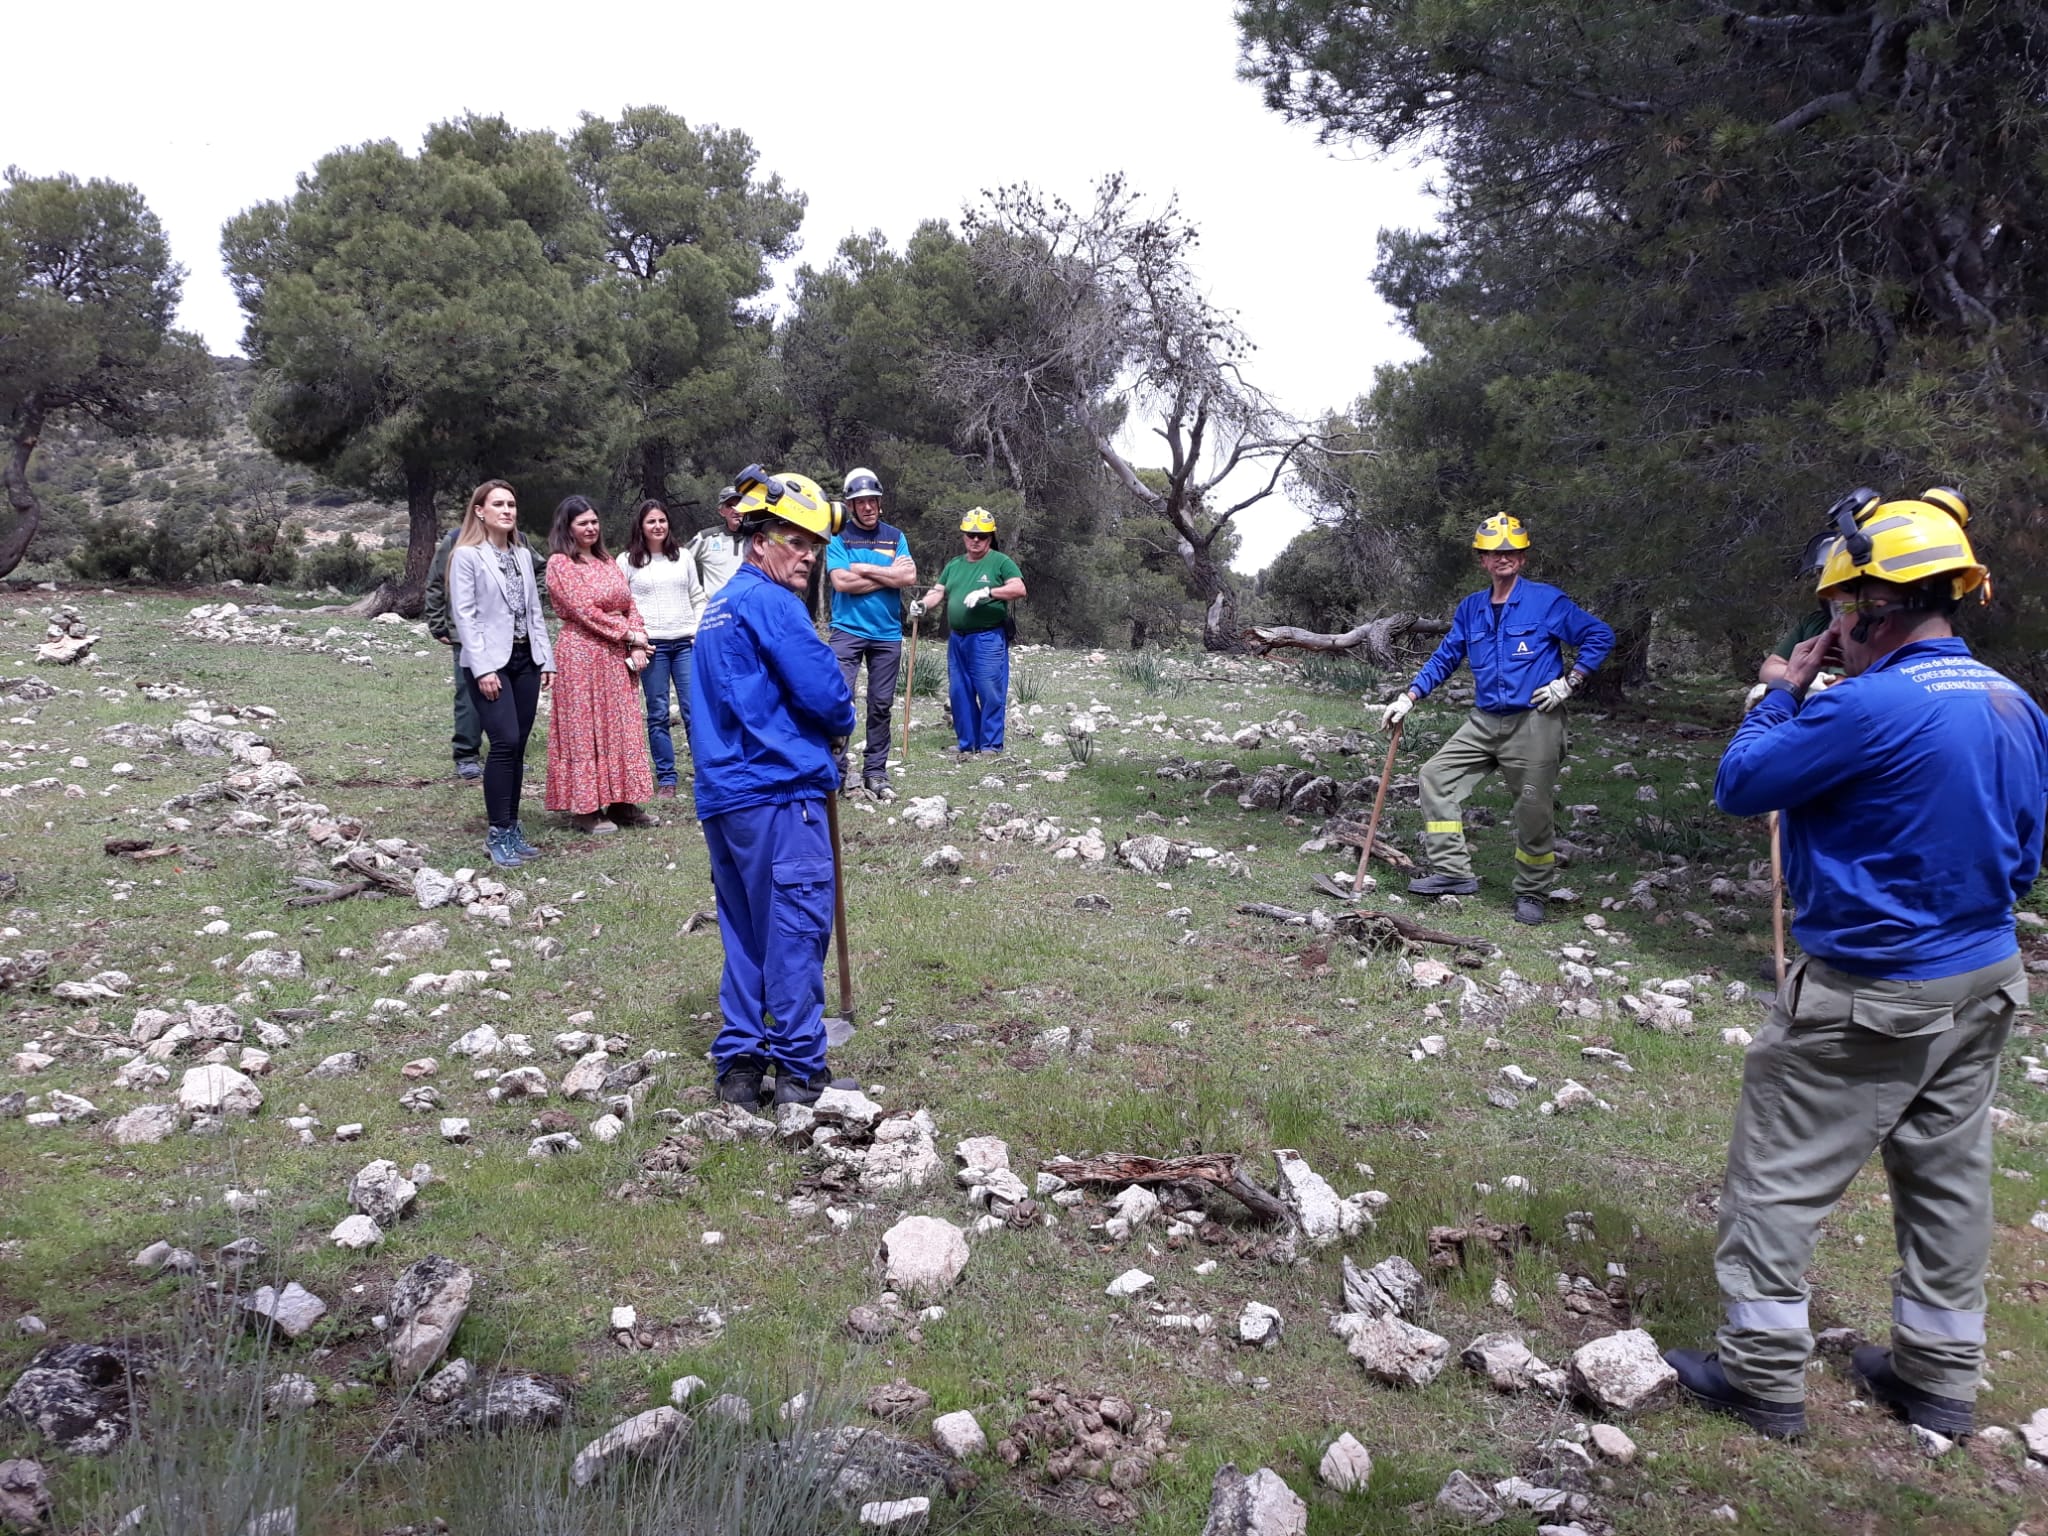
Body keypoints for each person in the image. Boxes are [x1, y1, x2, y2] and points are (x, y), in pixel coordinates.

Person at [1666, 488, 2047, 1443]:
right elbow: (2029, 852)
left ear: (1872, 608)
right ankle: (1938, 1377)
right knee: (1949, 1181)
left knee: (1776, 1179)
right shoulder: (2014, 702)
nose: (1833, 626)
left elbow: (1740, 785)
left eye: (1839, 610)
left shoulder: (1866, 706)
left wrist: (1783, 692)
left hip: (1873, 990)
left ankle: (1759, 1377)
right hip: (1985, 976)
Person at [691, 467, 857, 1108]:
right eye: (797, 540)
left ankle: (739, 1066)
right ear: (759, 539)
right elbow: (828, 696)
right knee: (794, 928)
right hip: (781, 793)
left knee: (746, 931)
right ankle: (798, 1072)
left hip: (725, 796)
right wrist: (840, 712)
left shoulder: (717, 607)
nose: (809, 555)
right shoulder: (773, 604)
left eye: (815, 544)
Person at [1380, 515, 1613, 925]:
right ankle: (1453, 872)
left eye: (1510, 551)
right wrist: (1409, 695)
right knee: (1435, 776)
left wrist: (1571, 682)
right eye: (1494, 553)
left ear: (1521, 558)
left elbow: (1599, 635)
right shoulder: (1471, 609)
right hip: (1485, 720)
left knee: (1532, 806)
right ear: (1483, 561)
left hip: (1535, 720)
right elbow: (1447, 655)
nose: (1502, 558)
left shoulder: (1547, 601)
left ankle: (1532, 892)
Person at [447, 479, 554, 869]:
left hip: (526, 659)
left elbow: (533, 610)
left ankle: (512, 827)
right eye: (498, 505)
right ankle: (496, 831)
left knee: (519, 744)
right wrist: (483, 668)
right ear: (480, 511)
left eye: (511, 504)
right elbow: (465, 616)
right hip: (490, 662)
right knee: (504, 741)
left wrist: (547, 659)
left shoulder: (523, 555)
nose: (507, 511)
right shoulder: (467, 556)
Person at [543, 496, 657, 834]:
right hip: (582, 654)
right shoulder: (561, 564)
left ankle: (623, 803)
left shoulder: (607, 560)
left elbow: (628, 601)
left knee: (622, 725)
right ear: (568, 527)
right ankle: (586, 809)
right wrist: (628, 635)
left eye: (594, 522)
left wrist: (637, 636)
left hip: (614, 656)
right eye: (583, 523)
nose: (591, 528)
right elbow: (583, 610)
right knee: (585, 728)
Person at [826, 467, 917, 798]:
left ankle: (876, 772)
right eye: (859, 502)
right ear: (850, 506)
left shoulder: (895, 536)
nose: (866, 507)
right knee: (839, 700)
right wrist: (887, 573)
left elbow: (908, 578)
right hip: (847, 630)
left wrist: (862, 568)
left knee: (880, 705)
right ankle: (835, 773)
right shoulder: (838, 536)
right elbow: (840, 581)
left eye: (872, 501)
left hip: (886, 633)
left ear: (880, 503)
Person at [916, 508, 1025, 758]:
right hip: (958, 639)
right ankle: (967, 743)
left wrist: (989, 592)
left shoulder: (999, 562)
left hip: (987, 637)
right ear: (964, 536)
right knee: (959, 691)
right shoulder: (954, 564)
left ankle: (990, 745)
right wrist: (922, 604)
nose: (975, 540)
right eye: (970, 535)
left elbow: (1018, 588)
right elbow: (938, 591)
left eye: (982, 536)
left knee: (989, 690)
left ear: (990, 537)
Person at [618, 498, 704, 801]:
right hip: (651, 646)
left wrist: (697, 630)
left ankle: (705, 773)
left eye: (662, 520)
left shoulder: (683, 558)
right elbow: (622, 606)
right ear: (641, 526)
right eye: (651, 521)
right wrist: (635, 641)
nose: (658, 526)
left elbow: (698, 596)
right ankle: (667, 777)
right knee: (657, 713)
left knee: (695, 711)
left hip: (684, 644)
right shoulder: (626, 561)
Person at [687, 485, 747, 606]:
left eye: (740, 504)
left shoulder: (757, 539)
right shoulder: (706, 537)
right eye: (730, 506)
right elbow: (679, 560)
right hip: (715, 611)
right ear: (721, 511)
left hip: (747, 609)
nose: (736, 510)